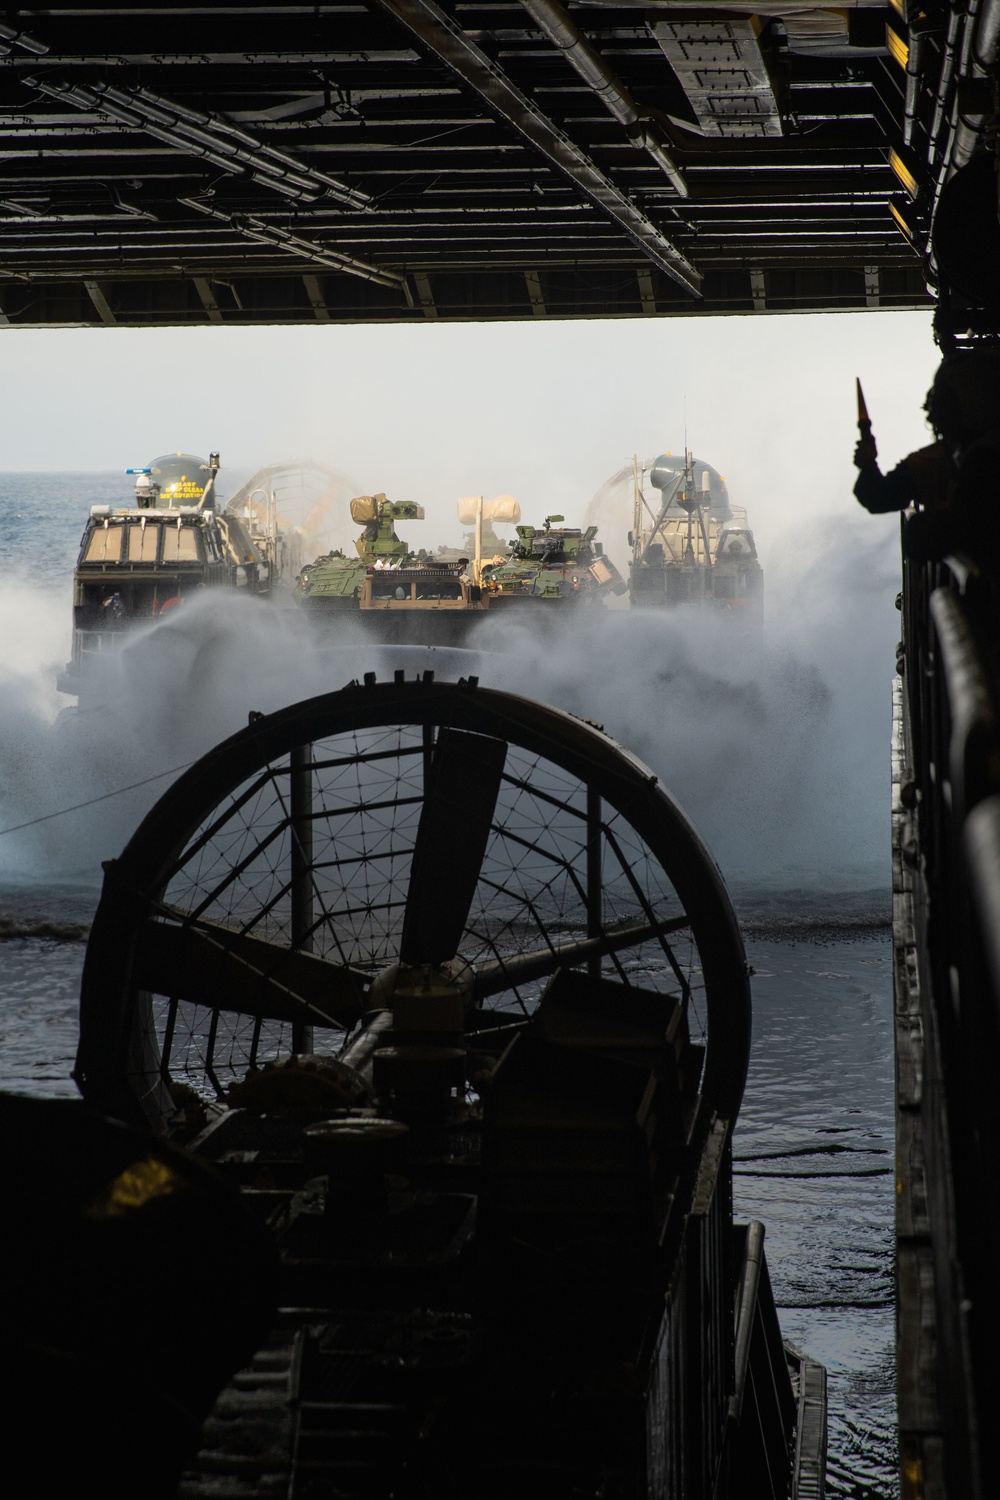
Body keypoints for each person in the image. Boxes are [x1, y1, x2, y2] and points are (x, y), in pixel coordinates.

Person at [854, 350, 1000, 556]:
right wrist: (868, 463)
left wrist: (867, 462)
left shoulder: (938, 461)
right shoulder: (932, 462)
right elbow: (879, 496)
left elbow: (879, 497)